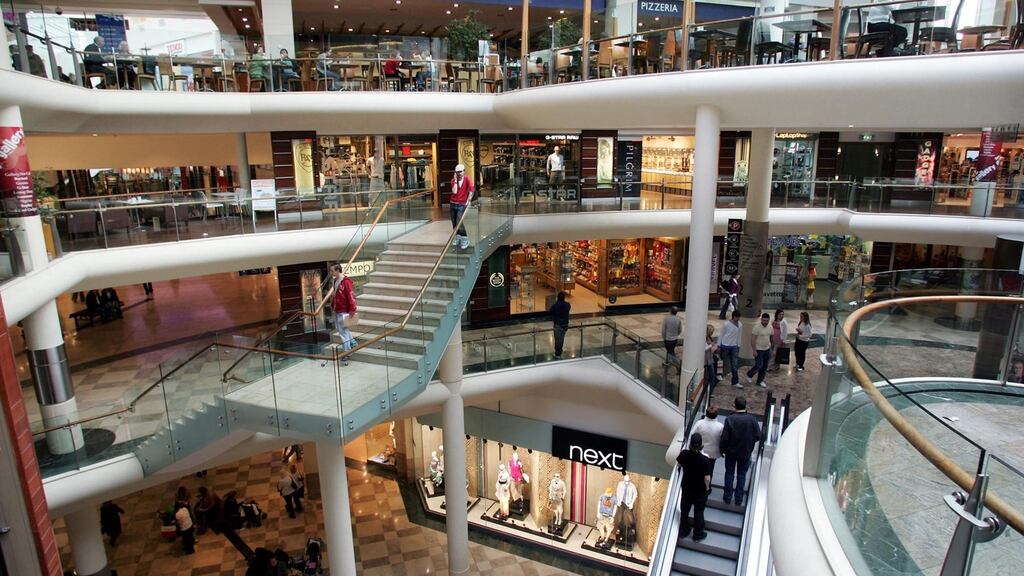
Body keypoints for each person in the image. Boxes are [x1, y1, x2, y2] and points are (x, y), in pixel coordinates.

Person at [720, 396, 761, 506]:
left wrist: (722, 450)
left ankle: (727, 497)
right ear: (745, 405)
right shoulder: (752, 419)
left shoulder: (730, 419)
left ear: (734, 405)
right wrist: (750, 444)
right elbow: (758, 435)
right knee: (741, 475)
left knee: (729, 474)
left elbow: (725, 438)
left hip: (731, 452)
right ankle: (738, 499)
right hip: (745, 452)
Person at [676, 432, 712, 542]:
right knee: (698, 512)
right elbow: (707, 478)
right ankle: (698, 534)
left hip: (687, 487)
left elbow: (679, 465)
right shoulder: (705, 460)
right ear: (701, 445)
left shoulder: (684, 454)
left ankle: (683, 530)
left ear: (690, 444)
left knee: (685, 510)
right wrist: (707, 488)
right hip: (700, 491)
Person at [325, 264, 357, 364]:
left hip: (344, 310)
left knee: (342, 332)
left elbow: (350, 295)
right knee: (344, 329)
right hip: (338, 309)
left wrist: (352, 309)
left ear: (338, 270)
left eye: (332, 271)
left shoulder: (346, 282)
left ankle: (347, 353)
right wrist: (333, 304)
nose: (331, 273)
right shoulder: (335, 281)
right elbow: (336, 295)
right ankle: (352, 343)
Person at [691, 406, 724, 477]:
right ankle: (707, 485)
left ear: (706, 413)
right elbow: (723, 439)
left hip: (700, 452)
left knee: (698, 469)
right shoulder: (720, 426)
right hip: (713, 453)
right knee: (710, 470)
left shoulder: (699, 423)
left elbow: (692, 435)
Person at [449, 163, 474, 250]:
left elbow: (471, 189)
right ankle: (457, 237)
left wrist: (468, 201)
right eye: (457, 172)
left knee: (460, 221)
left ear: (464, 171)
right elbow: (454, 191)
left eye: (460, 171)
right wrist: (455, 180)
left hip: (462, 204)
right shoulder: (453, 180)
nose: (459, 173)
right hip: (453, 203)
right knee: (454, 222)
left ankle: (465, 238)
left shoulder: (467, 179)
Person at [746, 312, 772, 388]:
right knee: (759, 365)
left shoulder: (770, 327)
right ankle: (749, 374)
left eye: (766, 321)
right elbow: (753, 340)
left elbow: (771, 337)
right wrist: (754, 350)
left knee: (764, 366)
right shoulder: (756, 327)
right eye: (763, 320)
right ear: (761, 320)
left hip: (767, 349)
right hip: (759, 349)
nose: (765, 322)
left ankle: (760, 380)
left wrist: (771, 346)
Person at [720, 310, 742, 388]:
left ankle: (735, 381)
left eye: (739, 317)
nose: (738, 319)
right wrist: (719, 345)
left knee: (734, 364)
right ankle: (720, 375)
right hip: (725, 345)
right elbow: (722, 334)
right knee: (723, 363)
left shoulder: (740, 325)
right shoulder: (726, 324)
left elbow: (739, 336)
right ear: (734, 316)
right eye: (737, 317)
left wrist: (738, 346)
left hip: (734, 346)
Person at [550, 291, 571, 359]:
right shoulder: (567, 305)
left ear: (557, 298)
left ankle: (558, 353)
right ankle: (559, 351)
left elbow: (551, 311)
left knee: (558, 339)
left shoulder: (555, 306)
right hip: (565, 325)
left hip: (558, 325)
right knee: (561, 338)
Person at [705, 324, 719, 392]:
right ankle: (710, 391)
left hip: (710, 358)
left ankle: (710, 390)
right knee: (711, 376)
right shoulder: (704, 338)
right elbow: (704, 349)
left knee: (711, 375)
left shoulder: (709, 338)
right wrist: (711, 345)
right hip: (706, 359)